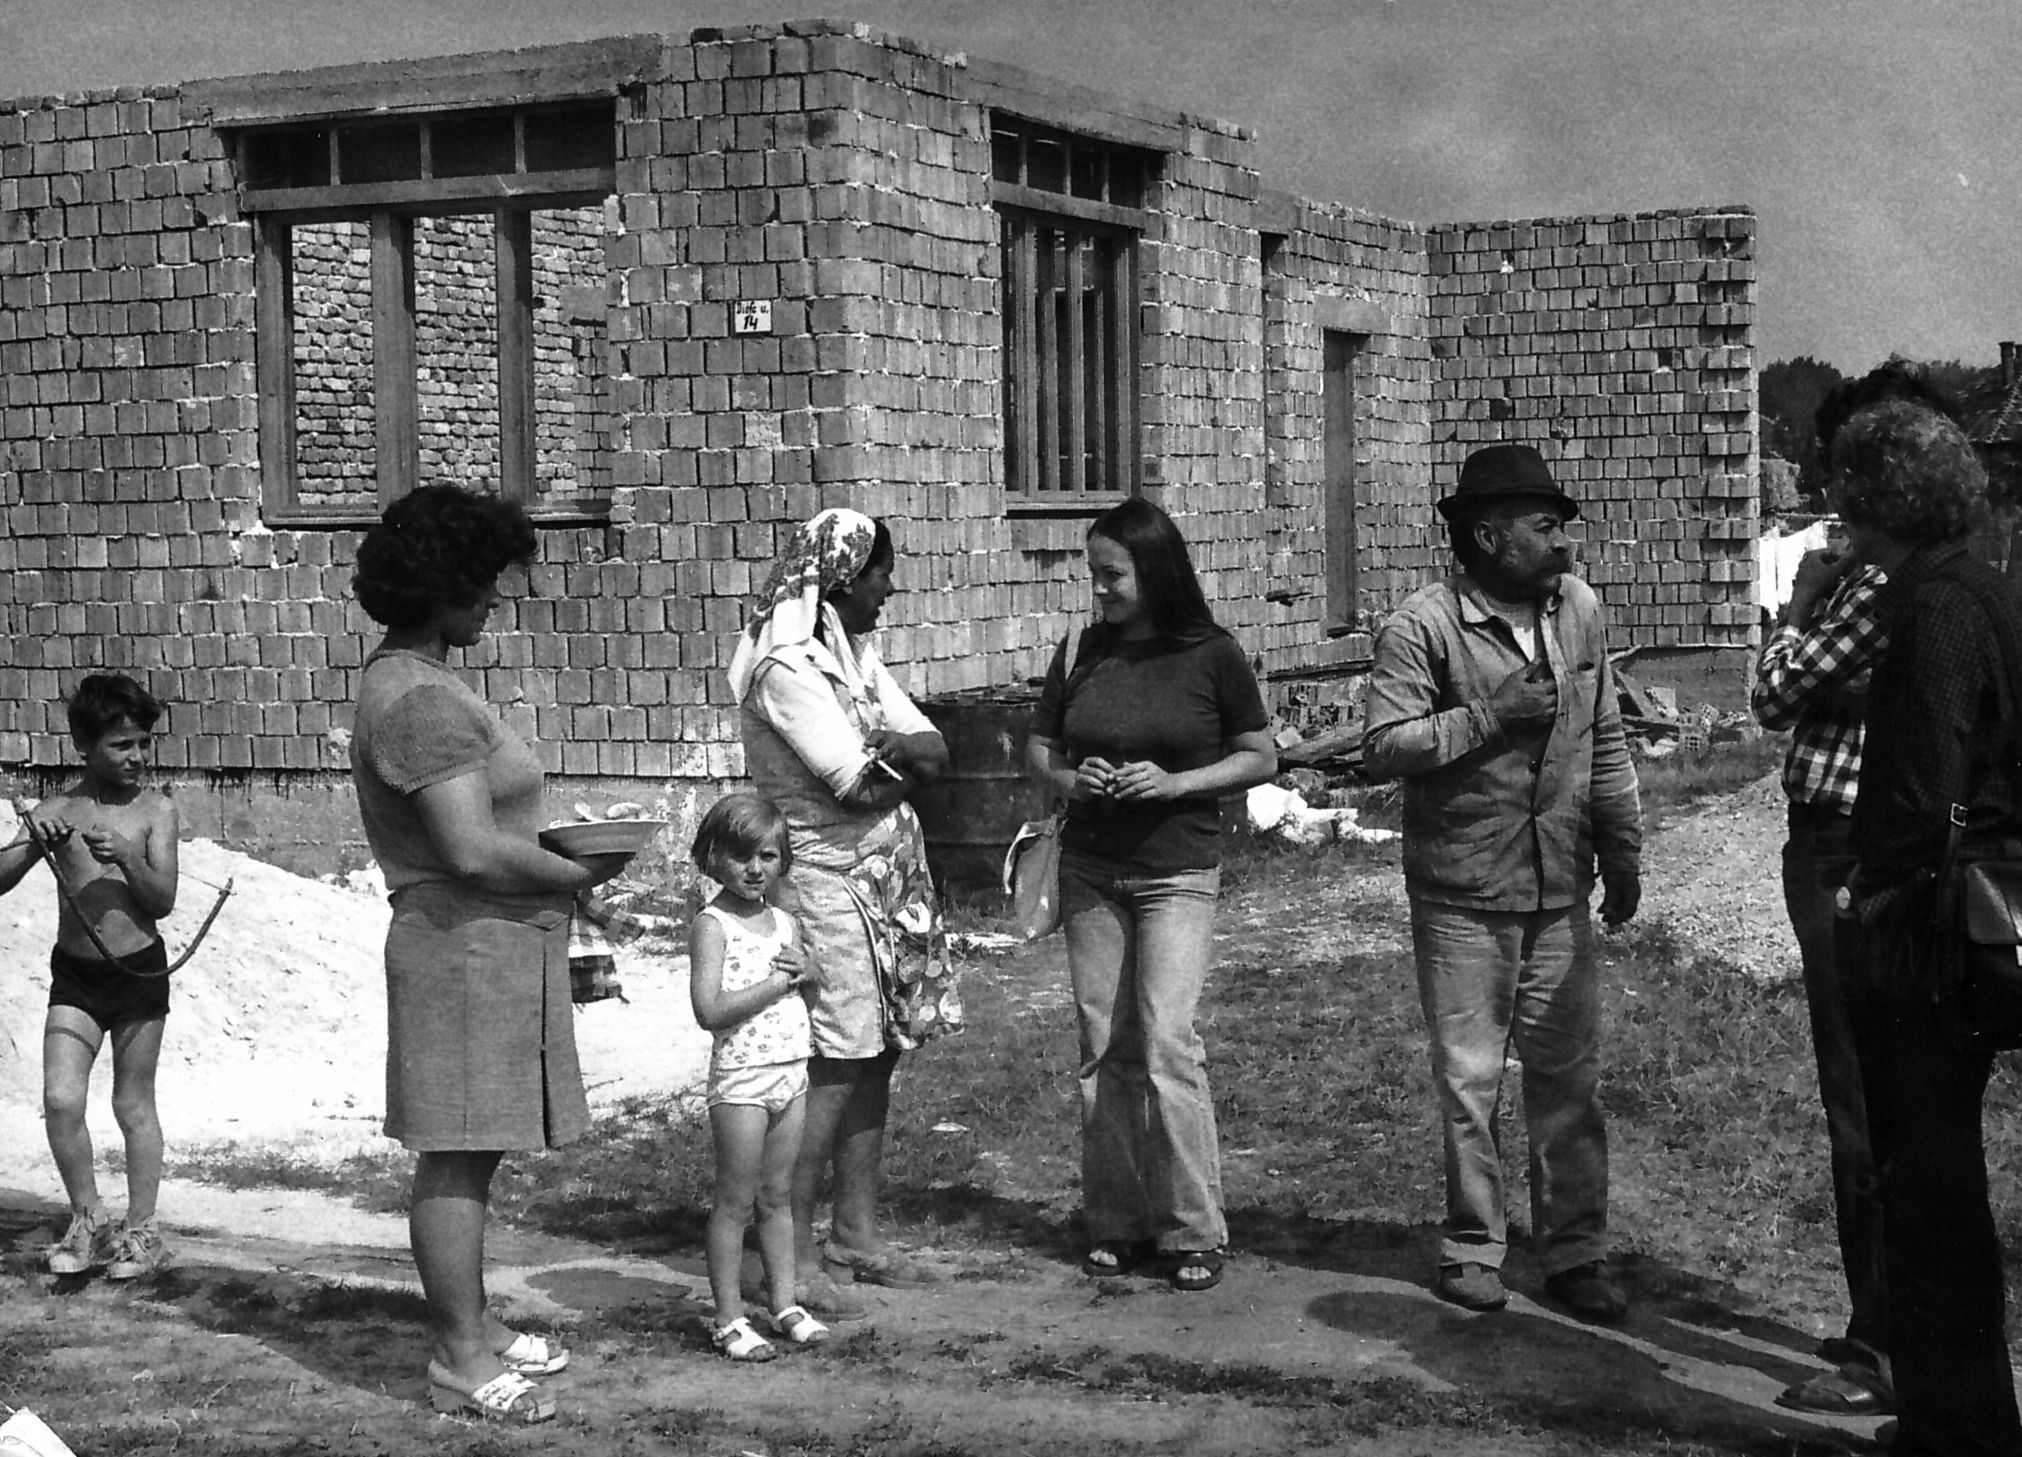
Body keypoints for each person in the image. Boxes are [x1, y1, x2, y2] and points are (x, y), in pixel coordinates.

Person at [349, 483, 628, 1425]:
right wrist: (576, 872)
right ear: (442, 586)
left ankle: (473, 1321)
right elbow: (469, 849)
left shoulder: (421, 680)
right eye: (483, 585)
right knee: (457, 1155)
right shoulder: (419, 698)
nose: (496, 601)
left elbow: (478, 830)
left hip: (481, 943)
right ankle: (459, 1356)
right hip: (456, 946)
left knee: (477, 1145)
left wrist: (558, 858)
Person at [1363, 443, 1642, 1321]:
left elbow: (1605, 738)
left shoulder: (1581, 609)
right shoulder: (1423, 627)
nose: (1564, 543)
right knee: (1470, 1078)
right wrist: (1491, 716)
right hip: (1461, 889)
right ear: (1489, 536)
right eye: (1545, 527)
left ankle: (1575, 1252)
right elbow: (1382, 746)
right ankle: (1475, 1246)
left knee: (1568, 1077)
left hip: (1560, 882)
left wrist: (1624, 845)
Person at [1749, 365, 1959, 1418]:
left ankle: (1880, 1343)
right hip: (1873, 843)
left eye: (1844, 474)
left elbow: (1774, 690)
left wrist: (1799, 601)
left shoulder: (1871, 583)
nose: (1834, 498)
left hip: (1843, 842)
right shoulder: (1951, 573)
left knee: (1862, 1097)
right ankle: (1889, 1326)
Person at [1832, 399, 2022, 1457]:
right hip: (1982, 918)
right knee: (1944, 1183)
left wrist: (1873, 891)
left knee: (1928, 1184)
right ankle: (1968, 1420)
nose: (1847, 531)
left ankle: (1956, 1431)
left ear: (1888, 508)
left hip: (1930, 936)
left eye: (1855, 510)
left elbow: (1923, 786)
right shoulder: (1991, 586)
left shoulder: (1938, 607)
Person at [1025, 497, 1276, 1293]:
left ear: (1154, 570)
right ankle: (1119, 1220)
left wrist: (1176, 783)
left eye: (1112, 575)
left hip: (1177, 871)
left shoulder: (1212, 654)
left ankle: (1194, 1228)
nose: (1097, 589)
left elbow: (1261, 756)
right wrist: (1072, 776)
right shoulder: (1080, 650)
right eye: (1091, 573)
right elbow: (1040, 745)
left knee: (1169, 1040)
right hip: (1092, 868)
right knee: (1104, 1046)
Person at [731, 507, 957, 1315]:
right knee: (836, 1057)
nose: (889, 588)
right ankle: (779, 1245)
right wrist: (915, 766)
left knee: (878, 1050)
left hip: (887, 876)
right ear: (840, 577)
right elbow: (854, 782)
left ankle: (855, 1233)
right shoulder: (785, 668)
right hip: (825, 880)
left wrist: (915, 761)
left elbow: (931, 741)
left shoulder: (850, 652)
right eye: (879, 573)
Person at [0, 673, 180, 1280]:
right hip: (75, 977)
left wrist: (128, 857)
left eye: (142, 744)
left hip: (138, 974)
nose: (135, 757)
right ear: (83, 744)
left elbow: (162, 901)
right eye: (120, 745)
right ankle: (87, 1220)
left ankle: (143, 1230)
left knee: (132, 1104)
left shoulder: (157, 811)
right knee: (60, 1098)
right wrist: (30, 839)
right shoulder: (58, 811)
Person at [687, 792, 831, 1361]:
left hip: (790, 1072)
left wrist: (811, 972)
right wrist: (778, 984)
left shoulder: (785, 922)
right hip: (742, 1080)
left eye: (768, 857)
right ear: (713, 857)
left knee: (780, 1196)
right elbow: (709, 1010)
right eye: (742, 856)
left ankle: (785, 1301)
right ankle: (728, 1318)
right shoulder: (712, 925)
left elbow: (810, 989)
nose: (755, 869)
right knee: (735, 1201)